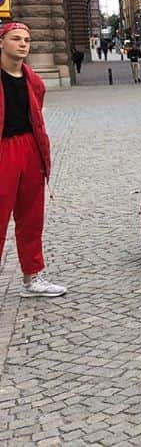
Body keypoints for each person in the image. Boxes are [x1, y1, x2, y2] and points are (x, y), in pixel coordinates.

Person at [0, 21, 67, 297]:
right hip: (3, 149)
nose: (23, 44)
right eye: (16, 38)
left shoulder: (34, 81)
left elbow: (36, 118)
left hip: (29, 149)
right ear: (2, 42)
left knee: (31, 218)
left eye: (26, 39)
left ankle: (32, 277)